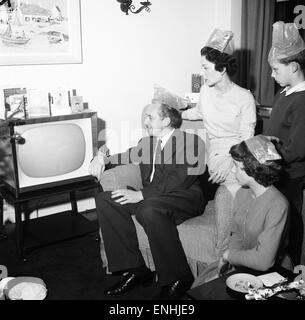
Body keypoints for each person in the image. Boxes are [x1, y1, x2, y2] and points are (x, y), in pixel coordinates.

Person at [89, 103, 206, 300]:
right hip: (153, 197)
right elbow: (122, 157)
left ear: (166, 120)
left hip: (184, 197)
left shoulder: (190, 142)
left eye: (150, 117)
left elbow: (180, 179)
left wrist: (141, 195)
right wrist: (101, 157)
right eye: (145, 117)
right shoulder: (147, 143)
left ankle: (178, 277)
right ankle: (136, 269)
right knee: (106, 200)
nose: (145, 121)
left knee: (147, 208)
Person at [181, 28, 257, 257]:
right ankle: (228, 255)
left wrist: (229, 161)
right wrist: (175, 111)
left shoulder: (244, 97)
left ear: (222, 68)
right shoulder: (205, 90)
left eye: (205, 67)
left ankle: (225, 255)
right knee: (225, 193)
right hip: (215, 156)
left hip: (240, 156)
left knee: (227, 196)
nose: (203, 73)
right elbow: (197, 112)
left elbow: (247, 138)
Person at [192, 135, 290, 288]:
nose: (233, 170)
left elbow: (264, 260)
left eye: (237, 167)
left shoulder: (278, 205)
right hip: (242, 262)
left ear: (253, 169)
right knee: (201, 286)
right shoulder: (242, 193)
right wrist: (230, 261)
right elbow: (236, 233)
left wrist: (229, 256)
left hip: (270, 271)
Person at [264, 21, 305, 266]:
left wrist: (267, 153)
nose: (272, 75)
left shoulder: (302, 100)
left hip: (291, 175)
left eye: (275, 70)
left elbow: (297, 149)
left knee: (289, 224)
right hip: (275, 169)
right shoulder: (284, 94)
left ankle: (291, 271)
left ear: (293, 66)